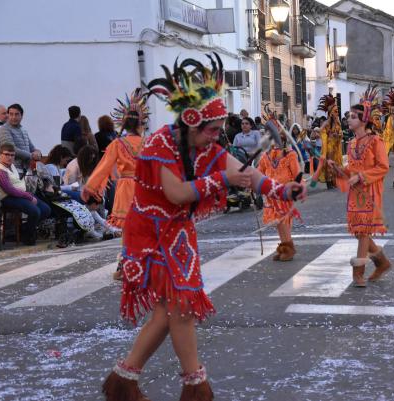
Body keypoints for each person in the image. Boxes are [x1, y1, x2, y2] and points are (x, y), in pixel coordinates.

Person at [101, 53, 306, 401]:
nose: (216, 136)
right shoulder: (159, 144)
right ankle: (193, 388)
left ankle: (126, 381)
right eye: (212, 129)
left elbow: (249, 173)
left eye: (218, 129)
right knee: (179, 308)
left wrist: (283, 189)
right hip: (149, 232)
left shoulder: (206, 146)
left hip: (178, 232)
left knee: (172, 311)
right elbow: (177, 192)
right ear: (191, 123)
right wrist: (222, 180)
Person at [330, 85, 391, 287]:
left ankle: (358, 272)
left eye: (353, 116)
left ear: (364, 120)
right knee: (359, 232)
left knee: (364, 231)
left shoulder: (375, 141)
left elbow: (383, 167)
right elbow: (351, 172)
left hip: (370, 191)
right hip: (355, 193)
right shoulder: (352, 144)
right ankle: (382, 262)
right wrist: (338, 169)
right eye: (349, 116)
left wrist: (362, 177)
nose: (349, 119)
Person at [83, 88, 148, 233]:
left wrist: (91, 189)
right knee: (145, 227)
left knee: (129, 229)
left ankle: (131, 253)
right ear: (140, 124)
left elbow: (103, 168)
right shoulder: (148, 142)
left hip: (125, 188)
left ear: (124, 124)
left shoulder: (117, 144)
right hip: (145, 187)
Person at [0, 143, 51, 246]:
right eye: (7, 154)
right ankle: (28, 237)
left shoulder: (11, 166)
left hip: (20, 194)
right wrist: (28, 196)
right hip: (7, 198)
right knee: (35, 211)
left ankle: (23, 230)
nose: (9, 157)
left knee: (46, 210)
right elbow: (10, 190)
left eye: (12, 155)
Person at [257, 125, 301, 261]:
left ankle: (289, 249)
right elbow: (259, 172)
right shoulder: (266, 156)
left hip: (285, 193)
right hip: (271, 193)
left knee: (284, 221)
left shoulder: (290, 154)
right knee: (278, 222)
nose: (276, 143)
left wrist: (297, 189)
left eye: (279, 140)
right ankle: (284, 247)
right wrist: (253, 183)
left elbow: (297, 173)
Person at [0, 104, 42, 174]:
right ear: (8, 115)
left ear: (22, 115)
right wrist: (31, 156)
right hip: (12, 169)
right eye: (11, 114)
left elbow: (32, 148)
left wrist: (39, 153)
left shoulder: (23, 130)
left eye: (16, 114)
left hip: (26, 170)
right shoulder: (4, 129)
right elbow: (11, 149)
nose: (13, 117)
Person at [316, 94, 343, 189]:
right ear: (331, 112)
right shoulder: (327, 122)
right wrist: (317, 131)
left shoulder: (338, 122)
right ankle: (329, 181)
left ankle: (334, 181)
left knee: (335, 163)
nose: (337, 113)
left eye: (338, 111)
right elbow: (320, 130)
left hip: (336, 146)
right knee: (330, 163)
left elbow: (341, 134)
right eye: (335, 111)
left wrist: (338, 135)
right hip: (329, 146)